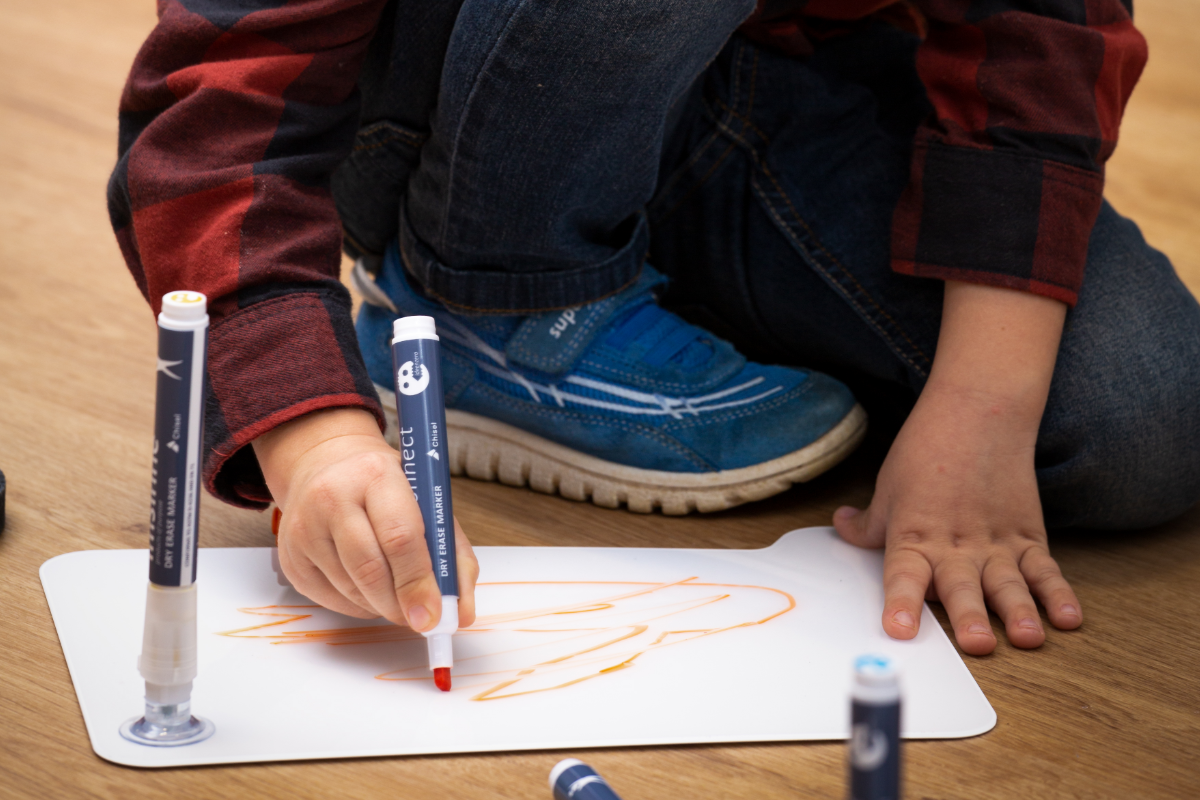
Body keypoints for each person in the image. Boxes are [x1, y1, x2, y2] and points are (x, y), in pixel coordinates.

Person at [108, 0, 1200, 657]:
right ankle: (490, 301)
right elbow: (215, 110)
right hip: (458, 114)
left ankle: (641, 282)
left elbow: (1045, 35)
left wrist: (981, 403)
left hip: (791, 87)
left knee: (1143, 422)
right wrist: (314, 435)